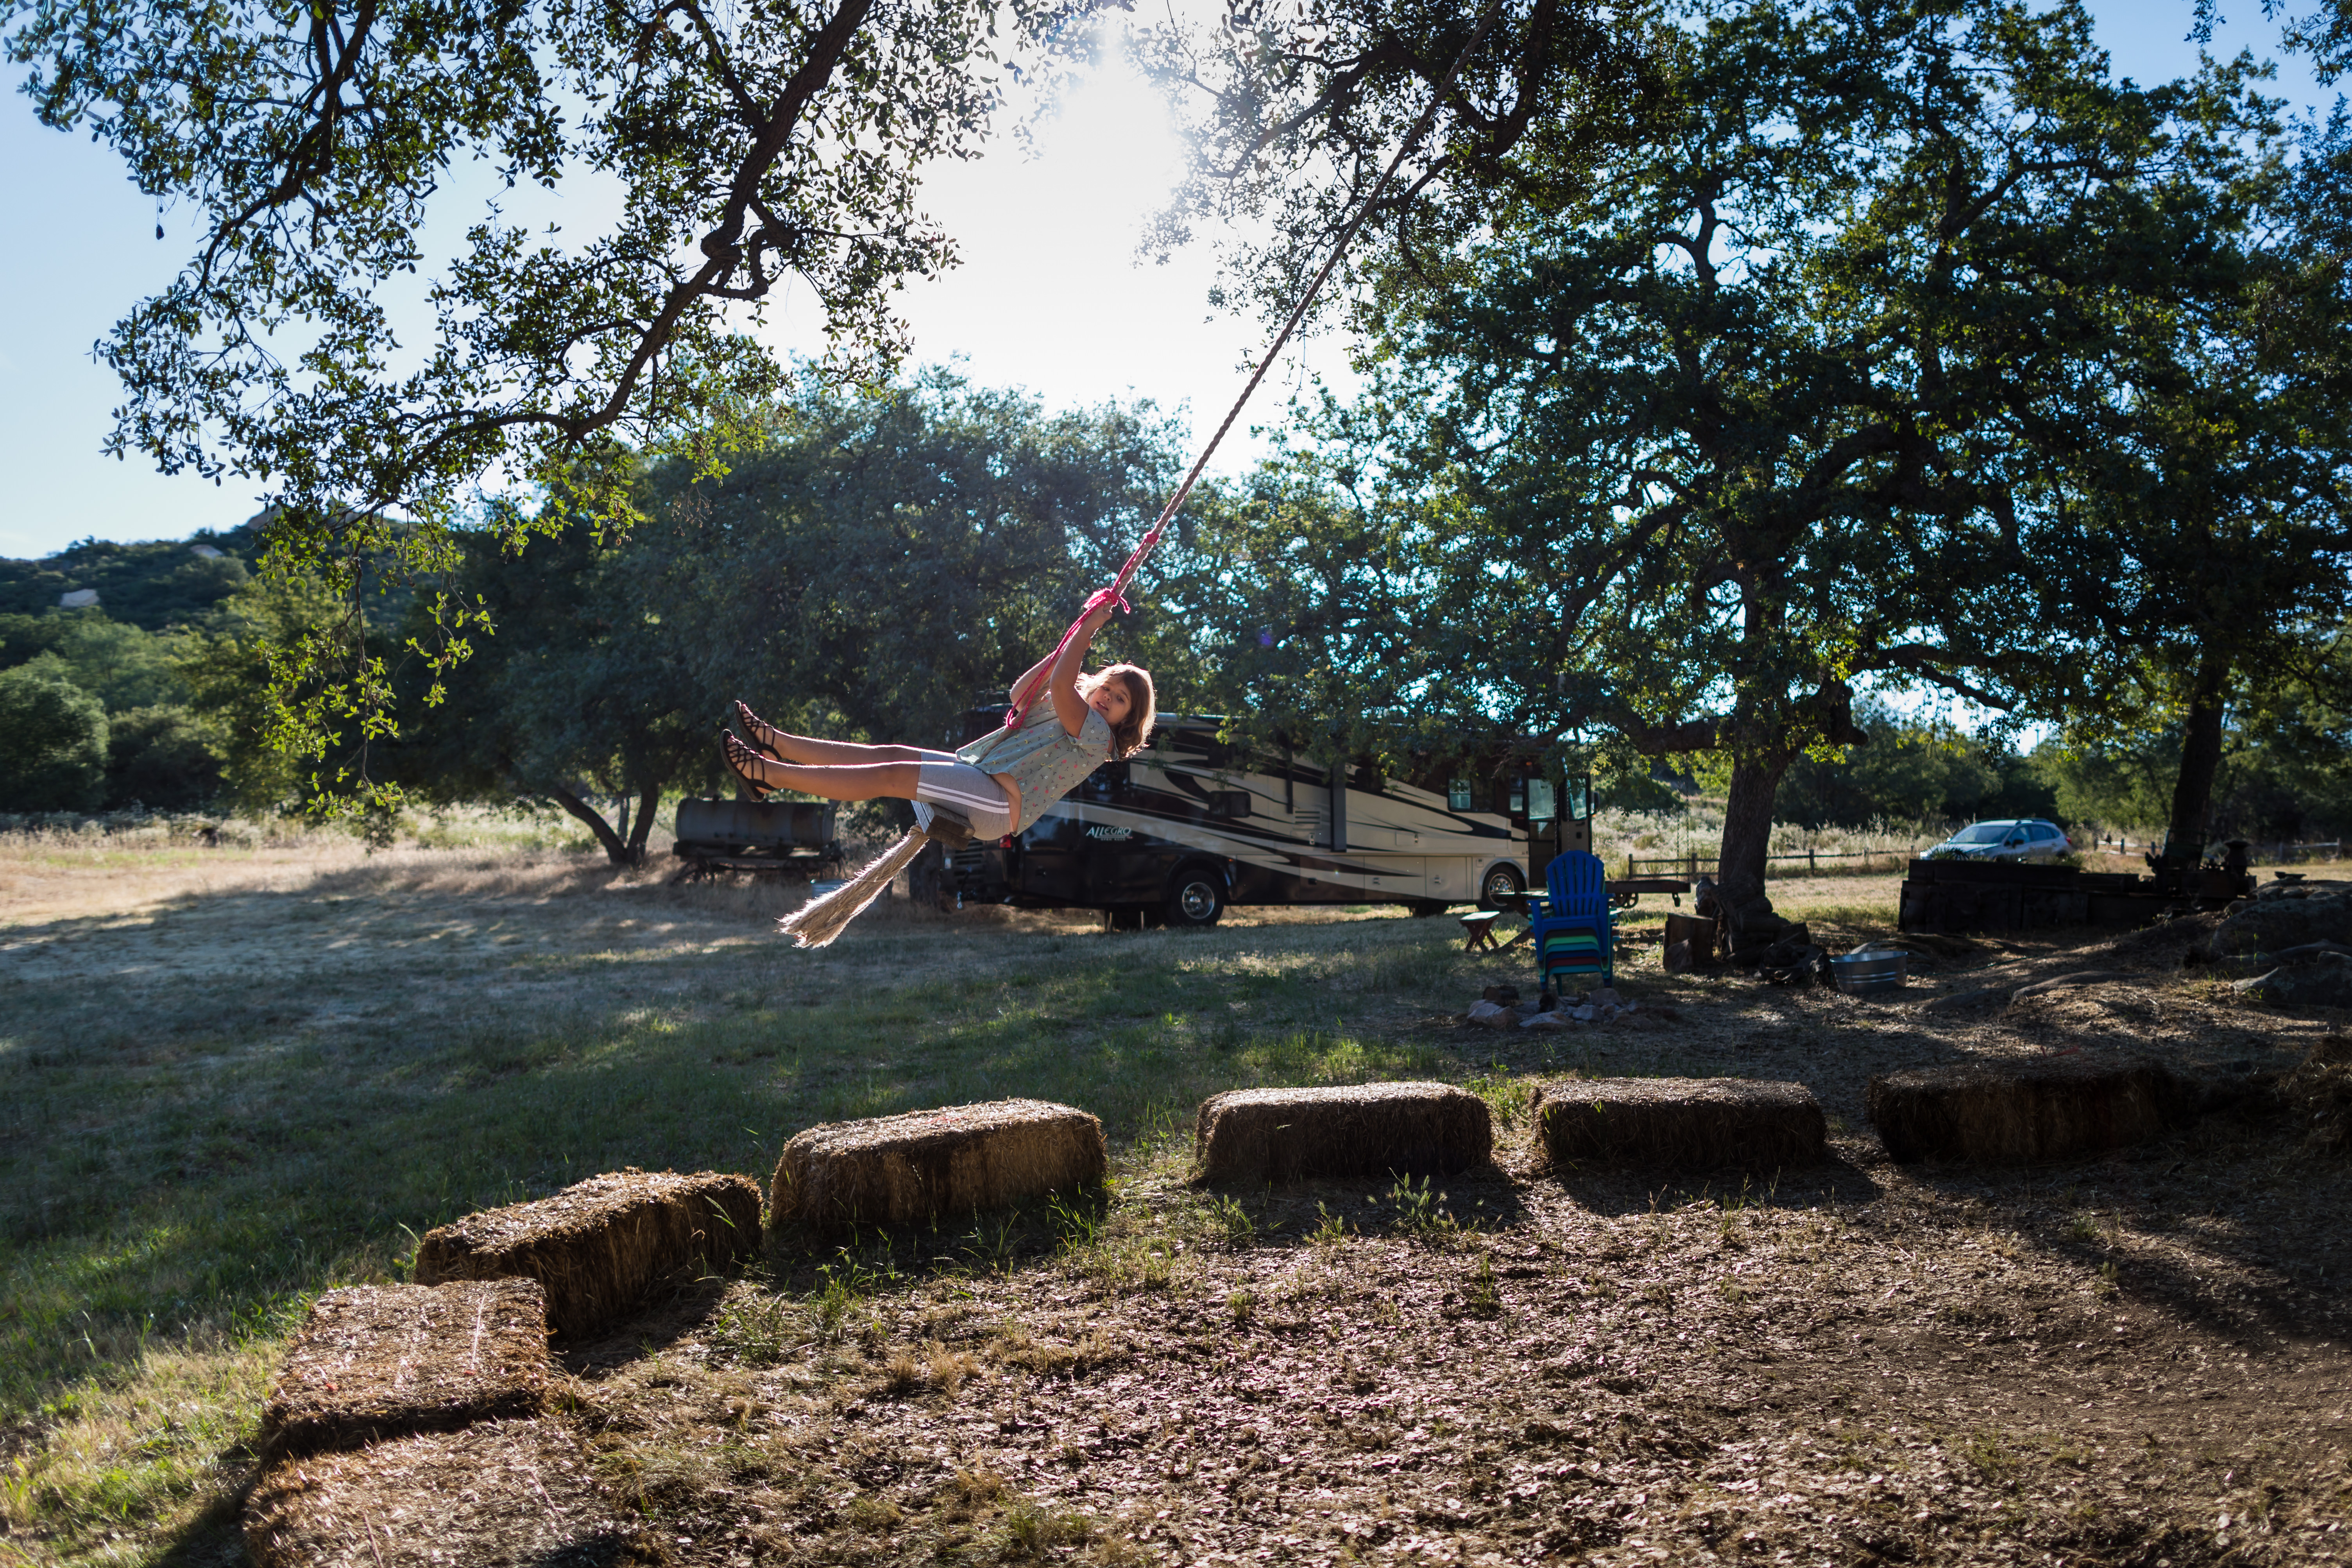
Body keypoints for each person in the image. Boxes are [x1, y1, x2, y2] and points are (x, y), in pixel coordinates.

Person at [720, 598, 1156, 840]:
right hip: (979, 774)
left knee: (891, 774)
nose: (1108, 699)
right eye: (1109, 688)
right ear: (1097, 683)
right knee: (888, 752)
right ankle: (779, 743)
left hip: (999, 805)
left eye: (1120, 701)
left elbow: (1062, 688)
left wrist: (1087, 631)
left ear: (1125, 719)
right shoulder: (1073, 700)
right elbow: (1023, 692)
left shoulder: (1099, 737)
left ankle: (770, 775)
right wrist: (1072, 638)